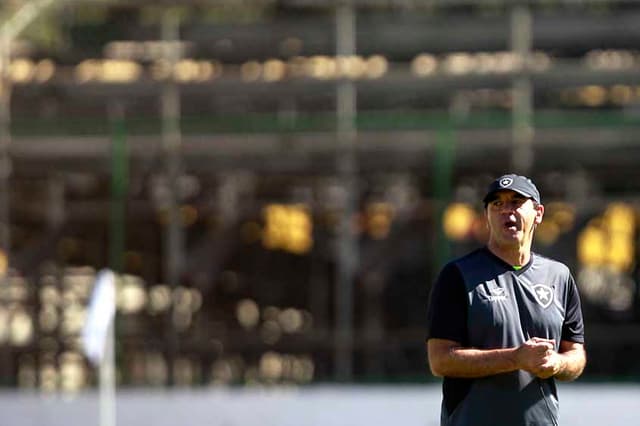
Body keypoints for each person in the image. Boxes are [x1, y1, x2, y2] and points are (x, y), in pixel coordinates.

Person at [426, 173, 586, 426]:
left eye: (515, 202)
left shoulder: (559, 276)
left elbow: (575, 353)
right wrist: (515, 358)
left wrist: (557, 363)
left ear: (539, 213)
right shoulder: (458, 275)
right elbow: (440, 360)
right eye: (497, 204)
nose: (505, 210)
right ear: (487, 215)